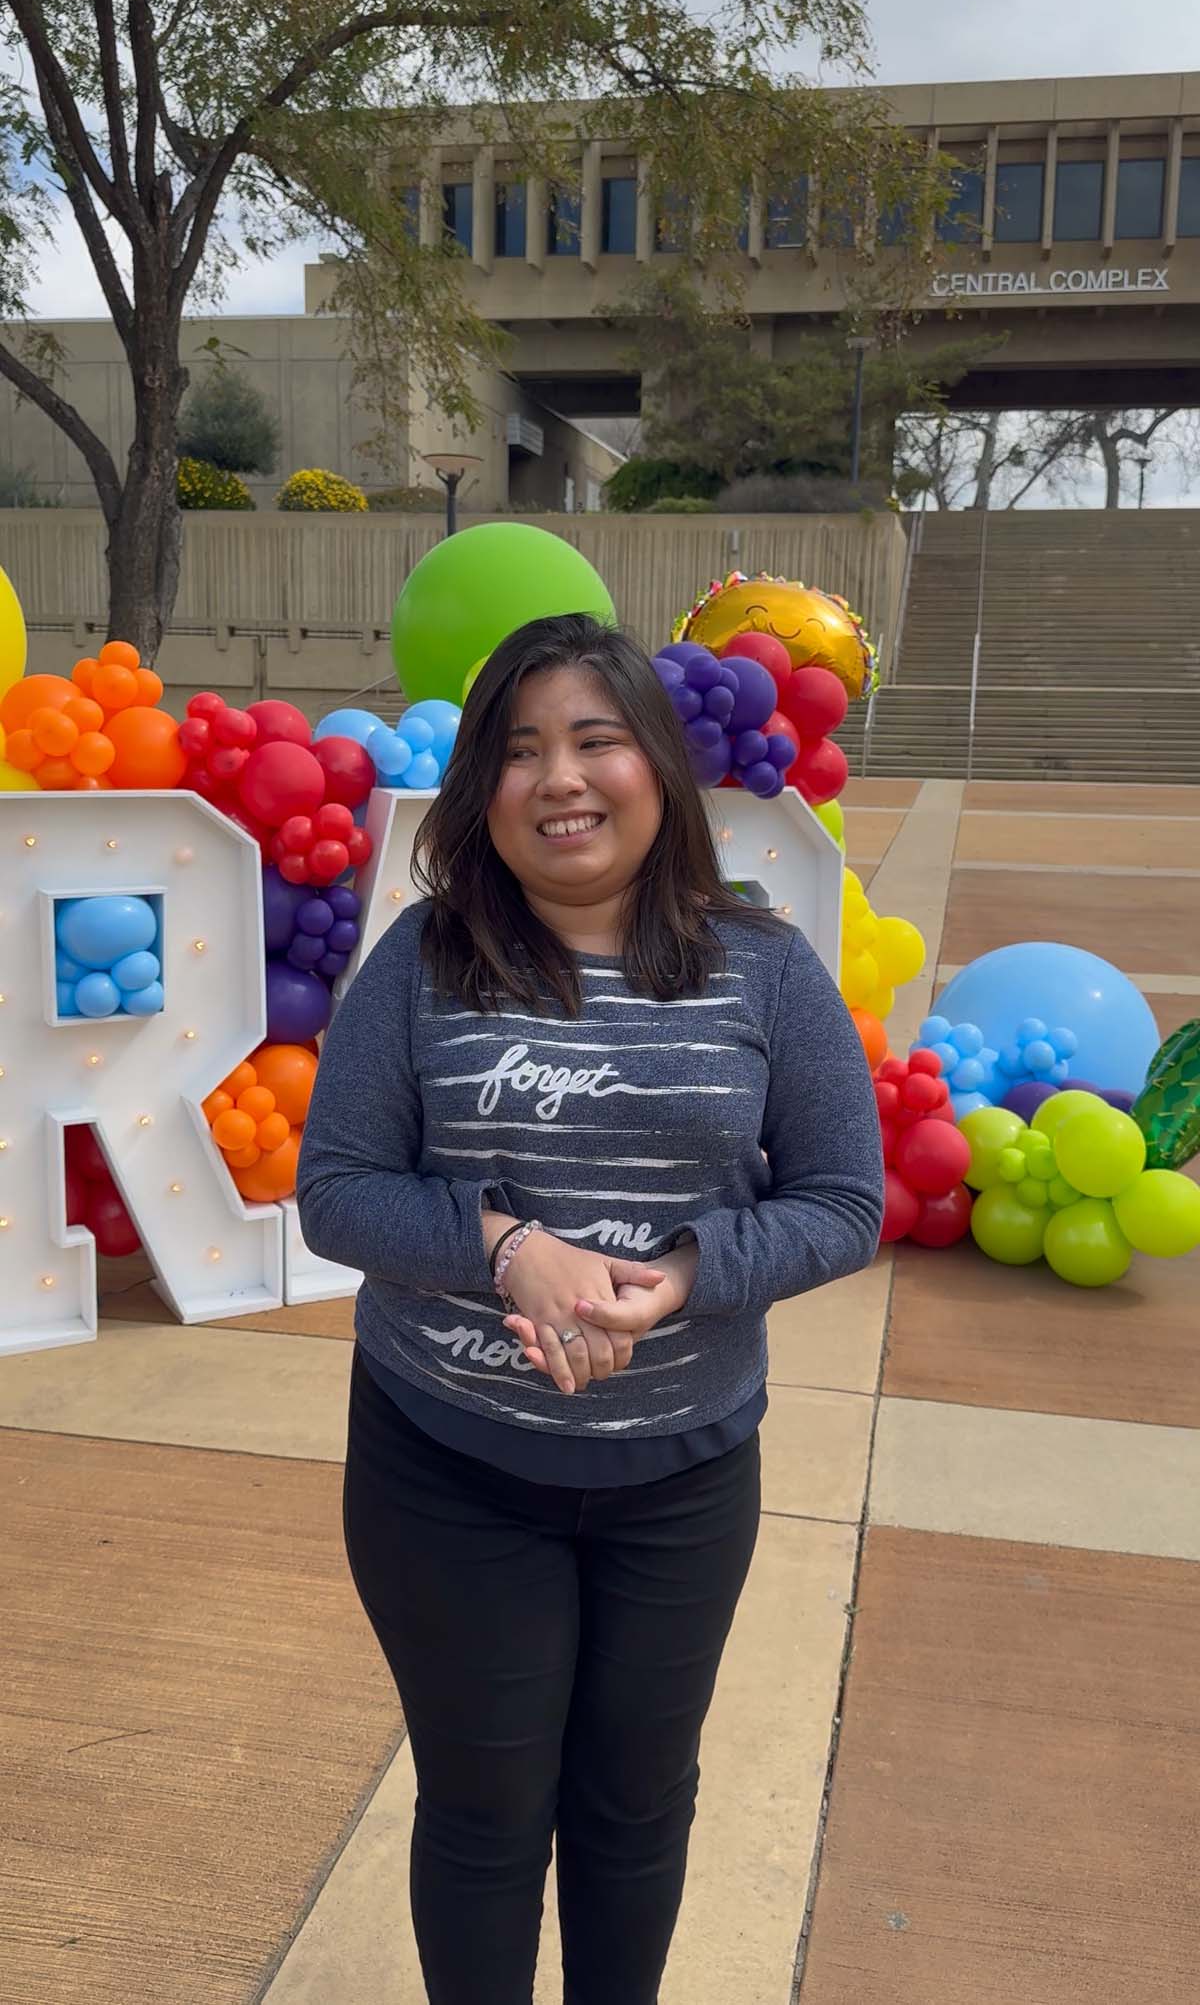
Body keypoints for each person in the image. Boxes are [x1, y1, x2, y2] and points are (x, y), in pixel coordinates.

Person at [297, 612, 883, 2005]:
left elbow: (843, 1200)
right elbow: (336, 1191)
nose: (560, 777)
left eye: (595, 739)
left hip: (677, 1479)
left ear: (657, 770)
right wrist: (507, 1245)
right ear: (479, 797)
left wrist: (681, 1277)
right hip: (449, 1469)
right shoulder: (426, 961)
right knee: (487, 1814)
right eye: (519, 751)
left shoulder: (768, 967)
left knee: (632, 1807)